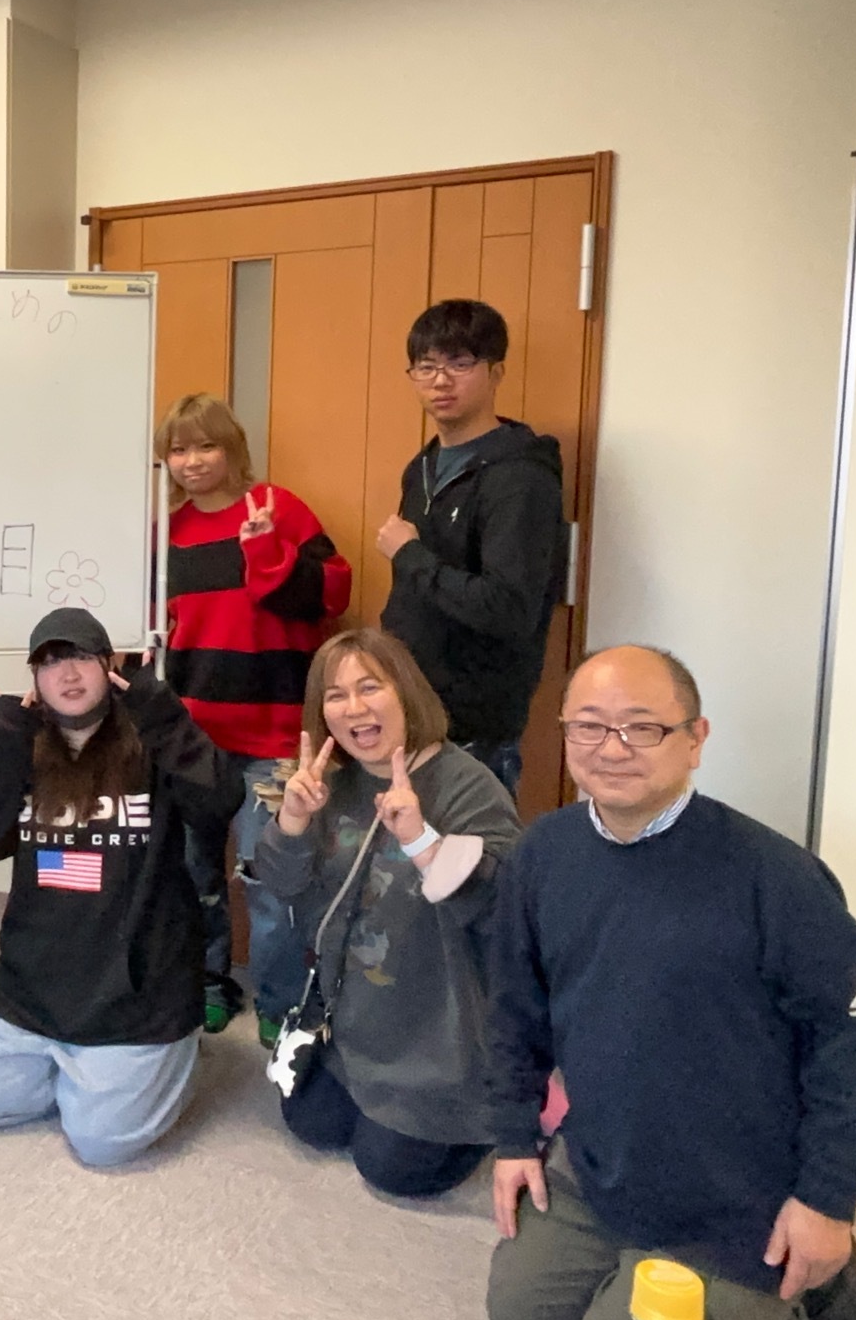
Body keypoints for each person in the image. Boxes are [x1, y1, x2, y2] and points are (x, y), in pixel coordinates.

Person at [487, 646, 856, 1320]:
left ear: (696, 739)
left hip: (735, 1198)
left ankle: (821, 1295)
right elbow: (514, 1012)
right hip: (600, 1172)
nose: (612, 747)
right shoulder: (542, 855)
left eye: (642, 727)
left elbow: (850, 1045)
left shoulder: (776, 876)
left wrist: (829, 1201)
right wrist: (513, 1140)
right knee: (520, 1317)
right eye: (589, 725)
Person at [0, 608, 239, 1166]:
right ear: (34, 677)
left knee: (102, 1142)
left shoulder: (150, 733)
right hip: (37, 978)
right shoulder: (25, 741)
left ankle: (160, 1058)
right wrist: (5, 743)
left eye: (81, 657)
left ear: (108, 665)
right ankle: (86, 1068)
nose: (67, 673)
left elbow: (219, 802)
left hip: (139, 984)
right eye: (49, 662)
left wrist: (163, 717)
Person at [254, 627, 520, 1197]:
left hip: (437, 1034)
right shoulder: (329, 782)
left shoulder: (468, 785)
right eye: (336, 695)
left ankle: (498, 1103)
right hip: (353, 1020)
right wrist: (293, 819)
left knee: (392, 1170)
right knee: (311, 1124)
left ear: (406, 692)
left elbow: (505, 912)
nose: (354, 707)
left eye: (370, 687)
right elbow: (281, 884)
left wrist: (422, 841)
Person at [155, 393, 352, 1040]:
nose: (192, 461)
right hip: (192, 740)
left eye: (205, 445)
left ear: (233, 448)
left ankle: (280, 1004)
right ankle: (207, 983)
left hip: (275, 738)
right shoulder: (166, 531)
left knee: (272, 883)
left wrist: (268, 552)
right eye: (178, 449)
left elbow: (335, 593)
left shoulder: (278, 507)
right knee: (194, 875)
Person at [376, 299, 567, 800]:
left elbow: (508, 608)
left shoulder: (521, 477)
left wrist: (410, 555)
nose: (440, 381)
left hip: (475, 732)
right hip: (408, 712)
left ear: (495, 372)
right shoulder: (421, 468)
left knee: (470, 851)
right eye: (426, 366)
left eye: (460, 364)